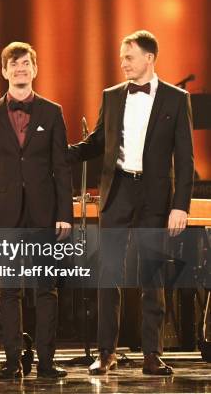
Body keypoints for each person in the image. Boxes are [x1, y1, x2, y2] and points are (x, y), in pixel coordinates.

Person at [68, 30, 194, 375]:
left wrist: (180, 205)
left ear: (149, 58)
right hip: (118, 191)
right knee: (108, 275)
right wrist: (60, 154)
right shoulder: (111, 97)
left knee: (151, 274)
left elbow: (185, 159)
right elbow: (96, 142)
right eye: (122, 57)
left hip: (155, 197)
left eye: (129, 57)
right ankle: (106, 351)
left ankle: (152, 354)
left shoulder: (175, 98)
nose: (122, 63)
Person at [0, 42, 72, 379]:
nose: (20, 69)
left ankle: (46, 361)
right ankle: (12, 361)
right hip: (5, 212)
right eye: (14, 64)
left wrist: (65, 213)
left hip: (45, 213)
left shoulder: (52, 111)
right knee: (9, 290)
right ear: (4, 71)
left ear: (35, 68)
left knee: (46, 288)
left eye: (26, 63)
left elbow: (61, 167)